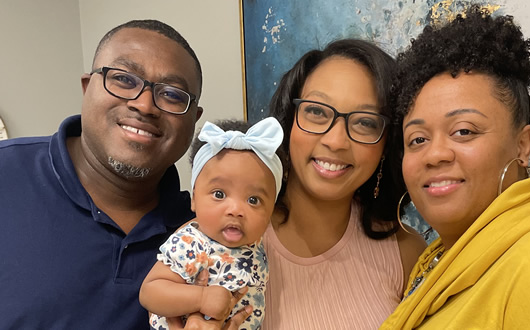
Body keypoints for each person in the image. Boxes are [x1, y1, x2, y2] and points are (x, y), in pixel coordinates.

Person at [381, 6, 530, 329]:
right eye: (417, 139)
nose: (434, 154)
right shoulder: (445, 255)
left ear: (522, 145)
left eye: (464, 131)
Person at [0, 20, 205, 329]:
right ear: (87, 87)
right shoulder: (8, 175)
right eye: (124, 79)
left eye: (172, 95)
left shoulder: (200, 233)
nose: (145, 105)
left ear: (193, 119)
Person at [261, 39, 427, 329]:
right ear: (288, 122)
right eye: (315, 111)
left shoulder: (407, 252)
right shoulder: (230, 232)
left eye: (365, 122)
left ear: (387, 145)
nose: (336, 141)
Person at [140, 117, 284, 330]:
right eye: (219, 194)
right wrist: (201, 298)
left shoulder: (254, 243)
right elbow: (150, 292)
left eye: (253, 200)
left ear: (271, 210)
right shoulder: (192, 242)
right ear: (194, 199)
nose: (236, 210)